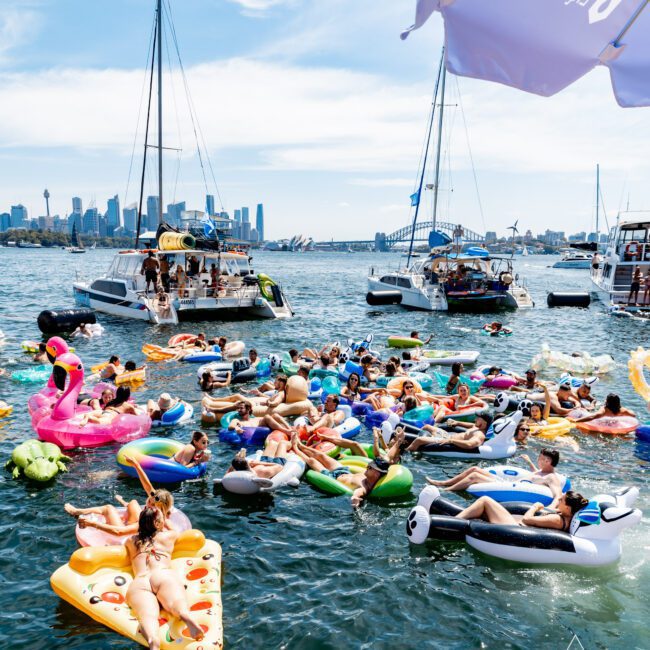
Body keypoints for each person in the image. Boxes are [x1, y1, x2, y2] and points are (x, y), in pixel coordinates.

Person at [125, 507, 205, 649]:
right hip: (161, 574)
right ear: (158, 523)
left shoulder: (130, 541)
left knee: (147, 615)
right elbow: (178, 531)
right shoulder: (169, 536)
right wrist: (164, 520)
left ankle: (152, 641)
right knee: (176, 602)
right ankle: (185, 617)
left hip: (139, 581)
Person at [64, 455, 176, 536]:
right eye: (149, 501)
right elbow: (147, 486)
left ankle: (76, 512)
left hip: (126, 530)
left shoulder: (148, 521)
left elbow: (119, 532)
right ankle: (125, 503)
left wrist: (93, 524)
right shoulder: (158, 508)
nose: (149, 503)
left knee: (108, 508)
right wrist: (136, 465)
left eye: (151, 504)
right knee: (133, 503)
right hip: (136, 522)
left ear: (160, 509)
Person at [291, 428, 405, 507]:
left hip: (332, 477)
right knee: (321, 455)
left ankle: (296, 448)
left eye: (371, 468)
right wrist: (399, 441)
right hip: (343, 470)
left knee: (312, 461)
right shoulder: (378, 470)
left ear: (376, 473)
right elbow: (389, 456)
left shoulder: (364, 487)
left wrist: (355, 500)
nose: (368, 466)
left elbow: (358, 494)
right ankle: (301, 445)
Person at [427, 448, 564, 504]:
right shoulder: (543, 471)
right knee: (475, 468)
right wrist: (529, 462)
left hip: (511, 487)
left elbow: (557, 495)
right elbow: (536, 475)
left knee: (474, 476)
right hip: (506, 482)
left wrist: (550, 509)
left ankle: (446, 490)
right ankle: (444, 483)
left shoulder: (552, 477)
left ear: (548, 461)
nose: (538, 460)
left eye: (540, 458)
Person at [452, 490, 589, 532]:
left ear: (568, 508)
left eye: (562, 500)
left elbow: (527, 520)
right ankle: (457, 518)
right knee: (483, 508)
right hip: (513, 524)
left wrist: (534, 507)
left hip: (513, 527)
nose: (559, 500)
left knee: (485, 500)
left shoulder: (557, 519)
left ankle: (452, 523)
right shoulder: (565, 516)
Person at [406, 410, 493, 453]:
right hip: (447, 435)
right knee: (427, 427)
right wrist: (457, 423)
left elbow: (470, 444)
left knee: (419, 440)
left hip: (447, 441)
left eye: (478, 418)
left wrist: (451, 441)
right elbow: (470, 425)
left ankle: (405, 453)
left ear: (484, 422)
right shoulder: (478, 427)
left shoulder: (480, 435)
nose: (475, 419)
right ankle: (409, 438)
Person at [226, 439, 293, 480]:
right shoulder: (263, 472)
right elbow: (279, 466)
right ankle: (293, 442)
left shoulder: (235, 473)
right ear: (247, 465)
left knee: (272, 442)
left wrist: (238, 459)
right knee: (283, 443)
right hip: (276, 463)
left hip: (263, 461)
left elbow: (227, 474)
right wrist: (258, 463)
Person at [570, 393, 635, 423]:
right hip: (614, 424)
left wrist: (576, 420)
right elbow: (633, 415)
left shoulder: (604, 410)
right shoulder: (622, 410)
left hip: (600, 424)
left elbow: (592, 417)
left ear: (607, 401)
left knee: (582, 410)